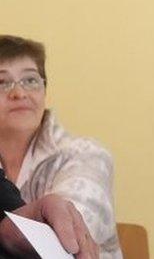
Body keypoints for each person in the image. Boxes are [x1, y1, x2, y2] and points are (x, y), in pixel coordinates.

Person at [0, 36, 109, 259]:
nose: (19, 93)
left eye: (30, 80)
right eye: (1, 82)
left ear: (44, 90)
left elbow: (65, 241)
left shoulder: (84, 154)